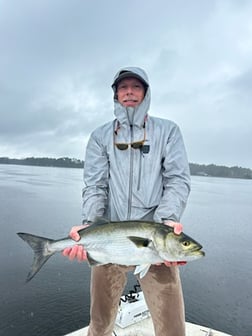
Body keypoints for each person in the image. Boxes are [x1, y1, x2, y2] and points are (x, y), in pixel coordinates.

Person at [62, 67, 191, 336]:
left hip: (155, 242)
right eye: (123, 87)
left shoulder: (168, 131)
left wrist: (166, 224)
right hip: (111, 239)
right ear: (116, 94)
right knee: (99, 324)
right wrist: (90, 224)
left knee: (173, 328)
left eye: (135, 86)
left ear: (146, 93)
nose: (129, 92)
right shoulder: (100, 137)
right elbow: (95, 186)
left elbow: (177, 179)